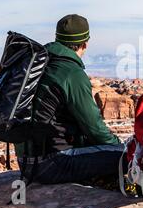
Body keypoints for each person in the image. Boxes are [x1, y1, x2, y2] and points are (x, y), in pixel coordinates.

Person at [14, 14, 123, 184]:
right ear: (85, 43)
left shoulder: (38, 64)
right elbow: (95, 128)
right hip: (54, 164)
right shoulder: (71, 73)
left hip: (26, 164)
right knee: (128, 157)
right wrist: (120, 147)